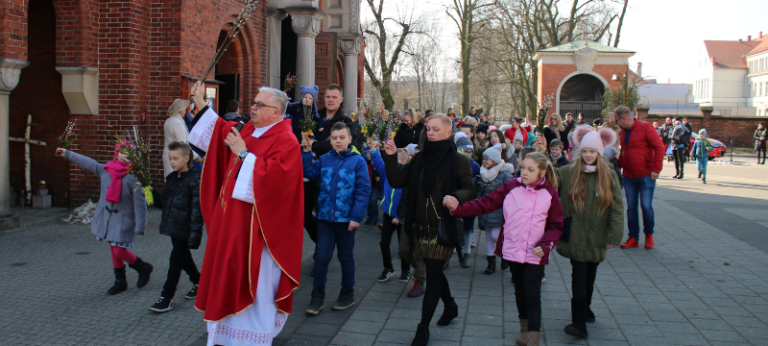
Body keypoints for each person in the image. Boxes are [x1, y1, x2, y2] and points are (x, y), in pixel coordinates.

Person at [187, 82, 303, 345]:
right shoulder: (251, 129)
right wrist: (201, 104)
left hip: (259, 236)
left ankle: (253, 340)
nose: (252, 107)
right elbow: (221, 130)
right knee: (227, 278)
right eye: (253, 103)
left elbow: (276, 182)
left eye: (260, 105)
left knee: (256, 288)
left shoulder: (287, 141)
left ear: (277, 112)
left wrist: (242, 153)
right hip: (232, 227)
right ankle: (225, 337)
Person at [448, 152, 563, 346]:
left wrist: (546, 244)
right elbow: (486, 203)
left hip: (536, 253)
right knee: (519, 291)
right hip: (513, 250)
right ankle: (524, 329)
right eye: (523, 168)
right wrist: (458, 209)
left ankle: (533, 337)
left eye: (531, 170)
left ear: (542, 173)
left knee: (532, 295)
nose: (524, 172)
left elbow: (556, 225)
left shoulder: (550, 194)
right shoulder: (511, 186)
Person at [382, 114, 476, 346]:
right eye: (428, 129)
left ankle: (422, 329)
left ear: (448, 132)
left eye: (436, 129)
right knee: (434, 271)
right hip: (417, 225)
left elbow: (469, 189)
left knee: (433, 274)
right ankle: (451, 306)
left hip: (441, 226)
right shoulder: (419, 158)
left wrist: (455, 197)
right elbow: (397, 181)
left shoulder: (459, 161)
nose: (431, 133)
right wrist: (392, 157)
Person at [54, 143, 152, 295]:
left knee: (119, 250)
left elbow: (140, 205)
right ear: (117, 154)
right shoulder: (106, 170)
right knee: (113, 248)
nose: (124, 155)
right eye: (121, 152)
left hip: (123, 221)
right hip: (108, 218)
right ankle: (120, 280)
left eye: (128, 153)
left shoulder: (133, 178)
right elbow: (87, 162)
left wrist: (140, 225)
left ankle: (142, 267)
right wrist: (67, 154)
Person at [554, 127, 623, 339]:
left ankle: (586, 310)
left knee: (590, 276)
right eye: (585, 151)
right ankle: (579, 323)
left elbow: (617, 207)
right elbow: (550, 177)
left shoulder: (609, 175)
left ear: (599, 152)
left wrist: (614, 235)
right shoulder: (570, 171)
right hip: (575, 233)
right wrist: (540, 157)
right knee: (579, 276)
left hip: (597, 235)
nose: (588, 155)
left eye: (592, 151)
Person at [301, 122, 371, 315]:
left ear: (349, 139)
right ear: (330, 140)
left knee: (345, 257)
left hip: (346, 220)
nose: (338, 141)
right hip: (324, 218)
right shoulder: (324, 159)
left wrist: (356, 217)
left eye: (342, 137)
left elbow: (364, 191)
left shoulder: (358, 162)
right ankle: (317, 296)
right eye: (334, 138)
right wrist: (307, 152)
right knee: (322, 257)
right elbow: (309, 172)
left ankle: (347, 293)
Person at [149, 142, 203, 313]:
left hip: (185, 229)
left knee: (175, 260)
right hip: (173, 227)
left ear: (186, 159)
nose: (172, 162)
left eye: (175, 158)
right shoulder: (172, 179)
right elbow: (166, 203)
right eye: (170, 158)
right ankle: (199, 282)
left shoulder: (195, 181)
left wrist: (195, 236)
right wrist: (153, 194)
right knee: (183, 257)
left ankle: (166, 297)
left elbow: (196, 212)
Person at [614, 106, 665, 250]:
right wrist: (619, 164)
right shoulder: (622, 132)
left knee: (646, 206)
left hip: (646, 175)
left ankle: (649, 235)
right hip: (629, 175)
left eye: (617, 120)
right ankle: (633, 237)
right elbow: (624, 151)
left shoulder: (646, 128)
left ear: (624, 118)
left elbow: (659, 148)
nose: (616, 124)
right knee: (631, 208)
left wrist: (656, 169)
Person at [369, 142, 412, 283]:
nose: (393, 166)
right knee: (384, 243)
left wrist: (399, 217)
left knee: (404, 246)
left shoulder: (407, 178)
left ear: (405, 162)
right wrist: (373, 149)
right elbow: (379, 163)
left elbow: (407, 200)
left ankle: (406, 271)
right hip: (388, 215)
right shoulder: (387, 173)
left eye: (396, 163)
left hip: (402, 217)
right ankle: (388, 268)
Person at [475, 144, 514, 275]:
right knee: (488, 236)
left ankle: (505, 255)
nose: (484, 161)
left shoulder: (504, 175)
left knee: (495, 235)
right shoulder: (482, 173)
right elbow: (480, 192)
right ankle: (491, 263)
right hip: (486, 210)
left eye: (487, 158)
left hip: (499, 211)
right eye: (483, 158)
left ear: (495, 160)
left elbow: (512, 192)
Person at [455, 134, 481, 269]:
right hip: (456, 200)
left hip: (470, 201)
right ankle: (453, 248)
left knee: (468, 227)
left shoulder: (475, 166)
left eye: (471, 152)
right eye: (466, 151)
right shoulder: (453, 163)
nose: (469, 154)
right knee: (454, 224)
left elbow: (478, 181)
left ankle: (467, 253)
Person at [312, 84, 355, 156]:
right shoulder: (314, 117)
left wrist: (312, 146)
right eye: (328, 97)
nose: (330, 100)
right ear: (324, 98)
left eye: (334, 97)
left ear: (341, 100)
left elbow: (336, 146)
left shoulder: (346, 122)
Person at [163, 99, 200, 178]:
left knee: (170, 181)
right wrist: (196, 156)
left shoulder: (168, 120)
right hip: (176, 156)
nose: (185, 111)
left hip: (168, 154)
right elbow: (183, 145)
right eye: (184, 109)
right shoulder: (177, 123)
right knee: (176, 182)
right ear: (181, 110)